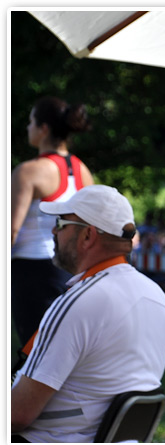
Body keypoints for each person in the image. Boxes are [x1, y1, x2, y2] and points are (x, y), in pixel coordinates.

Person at [11, 185, 165, 443]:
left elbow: (17, 414)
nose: (53, 231)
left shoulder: (79, 301)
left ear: (87, 236)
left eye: (61, 224)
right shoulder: (157, 298)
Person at [11, 96, 95, 346]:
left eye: (30, 122)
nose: (28, 128)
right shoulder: (83, 171)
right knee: (65, 352)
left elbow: (11, 229)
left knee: (35, 354)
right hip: (72, 271)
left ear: (43, 127)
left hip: (33, 271)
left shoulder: (29, 171)